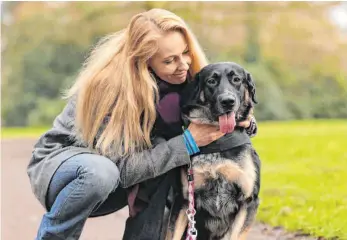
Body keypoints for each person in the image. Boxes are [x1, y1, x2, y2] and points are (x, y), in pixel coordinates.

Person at [27, 8, 257, 240]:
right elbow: (124, 171)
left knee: (168, 163)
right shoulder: (110, 88)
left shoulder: (183, 77)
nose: (183, 65)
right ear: (143, 62)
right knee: (102, 173)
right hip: (69, 167)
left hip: (122, 170)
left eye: (185, 52)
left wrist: (239, 118)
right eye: (169, 60)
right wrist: (186, 143)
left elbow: (215, 101)